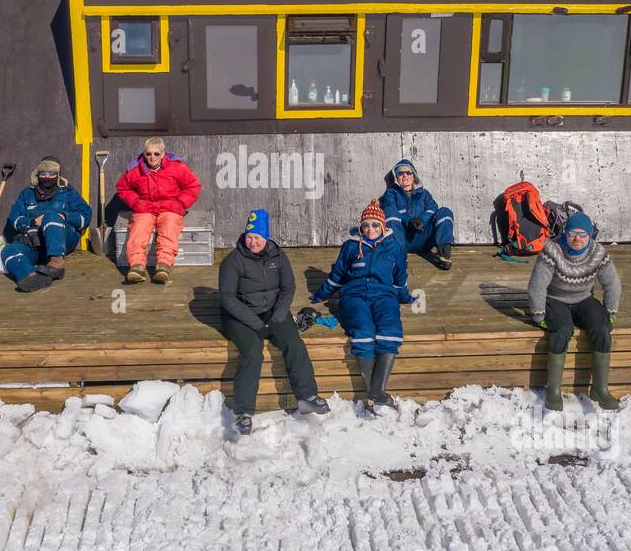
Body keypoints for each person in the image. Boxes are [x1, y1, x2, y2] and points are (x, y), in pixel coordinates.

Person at [219, 209, 329, 435]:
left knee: (294, 343)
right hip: (241, 315)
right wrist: (258, 325)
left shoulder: (278, 256)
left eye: (257, 237)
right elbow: (228, 299)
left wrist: (278, 317)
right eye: (249, 237)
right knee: (253, 352)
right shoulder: (233, 261)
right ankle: (243, 412)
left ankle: (307, 396)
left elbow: (288, 288)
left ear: (266, 237)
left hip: (273, 311)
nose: (253, 242)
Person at [310, 199, 413, 409]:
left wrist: (405, 297)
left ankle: (376, 390)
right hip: (354, 295)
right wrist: (321, 294)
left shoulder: (395, 247)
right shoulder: (350, 246)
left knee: (390, 330)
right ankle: (373, 391)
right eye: (365, 225)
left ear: (383, 226)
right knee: (364, 332)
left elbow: (399, 278)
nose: (370, 229)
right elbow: (338, 275)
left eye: (375, 224)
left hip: (384, 295)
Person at [527, 211, 622, 412]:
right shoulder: (552, 250)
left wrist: (611, 312)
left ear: (590, 236)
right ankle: (553, 390)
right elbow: (537, 285)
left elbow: (612, 283)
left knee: (602, 327)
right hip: (555, 300)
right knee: (562, 329)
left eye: (582, 234)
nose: (577, 238)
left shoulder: (598, 253)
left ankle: (599, 389)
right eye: (572, 233)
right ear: (565, 234)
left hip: (583, 299)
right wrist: (538, 314)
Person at [115, 137, 202, 284]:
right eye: (148, 154)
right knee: (138, 228)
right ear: (144, 154)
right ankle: (136, 266)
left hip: (169, 207)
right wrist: (136, 202)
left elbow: (193, 186)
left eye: (156, 154)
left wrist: (180, 203)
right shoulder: (136, 170)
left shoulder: (177, 168)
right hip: (145, 208)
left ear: (163, 154)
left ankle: (163, 266)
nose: (152, 157)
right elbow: (122, 187)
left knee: (169, 228)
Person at [0, 156, 92, 293]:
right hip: (37, 243)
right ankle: (30, 276)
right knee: (8, 251)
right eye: (43, 173)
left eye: (52, 173)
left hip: (62, 240)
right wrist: (31, 222)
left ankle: (56, 262)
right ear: (37, 175)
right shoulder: (27, 194)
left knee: (51, 215)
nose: (47, 177)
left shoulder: (68, 193)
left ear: (58, 175)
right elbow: (14, 217)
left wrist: (64, 216)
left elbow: (86, 215)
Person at [380, 157, 454, 270]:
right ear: (396, 177)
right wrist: (409, 221)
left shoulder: (424, 193)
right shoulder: (391, 193)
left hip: (424, 238)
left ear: (413, 176)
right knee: (390, 217)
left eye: (408, 173)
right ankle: (399, 258)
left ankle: (443, 255)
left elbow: (432, 207)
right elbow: (390, 211)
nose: (405, 176)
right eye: (400, 173)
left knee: (445, 212)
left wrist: (422, 220)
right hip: (402, 239)